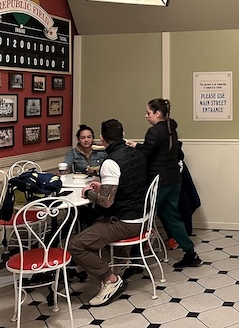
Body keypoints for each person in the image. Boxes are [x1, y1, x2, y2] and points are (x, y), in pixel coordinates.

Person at [67, 119, 148, 307]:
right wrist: (103, 188)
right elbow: (128, 184)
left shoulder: (111, 162)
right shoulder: (136, 153)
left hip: (127, 222)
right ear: (123, 135)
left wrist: (89, 193)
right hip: (143, 215)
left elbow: (106, 201)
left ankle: (110, 280)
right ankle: (120, 260)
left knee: (76, 244)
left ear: (102, 139)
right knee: (94, 224)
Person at [129, 98, 202, 268]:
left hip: (159, 182)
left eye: (148, 112)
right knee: (171, 217)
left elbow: (146, 154)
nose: (146, 116)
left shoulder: (154, 131)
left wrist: (135, 146)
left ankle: (135, 256)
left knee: (143, 215)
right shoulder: (171, 129)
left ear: (157, 113)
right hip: (174, 180)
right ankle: (190, 253)